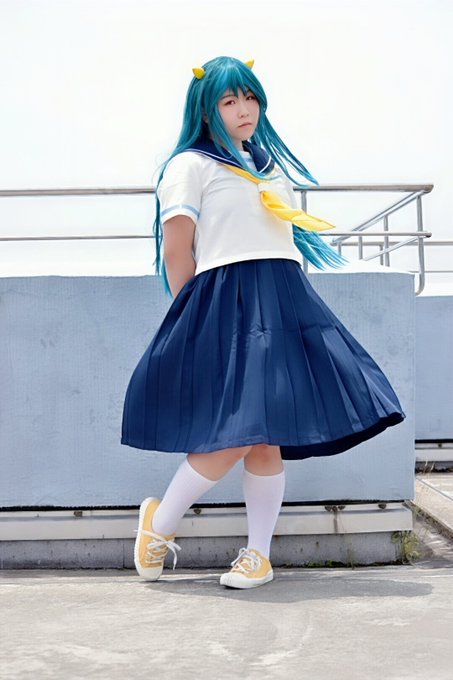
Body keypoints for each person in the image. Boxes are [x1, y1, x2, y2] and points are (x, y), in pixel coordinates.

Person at [121, 56, 405, 589]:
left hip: (283, 297)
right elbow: (177, 251)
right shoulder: (190, 166)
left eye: (249, 97)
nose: (243, 109)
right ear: (206, 109)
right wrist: (192, 320)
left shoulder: (268, 166)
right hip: (225, 304)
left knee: (266, 435)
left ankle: (258, 555)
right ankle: (159, 524)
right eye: (229, 101)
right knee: (236, 434)